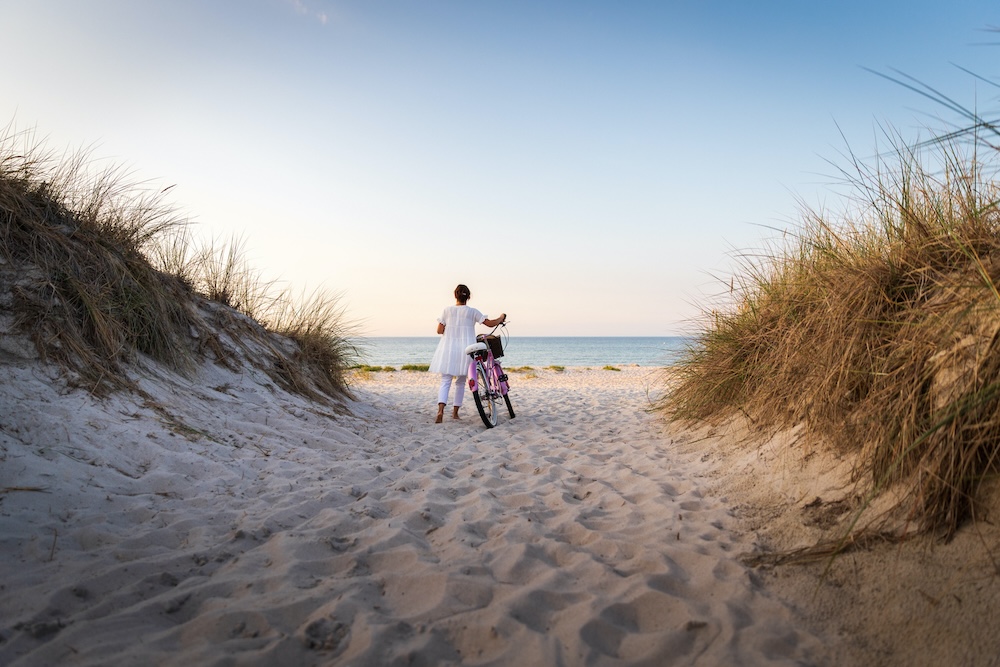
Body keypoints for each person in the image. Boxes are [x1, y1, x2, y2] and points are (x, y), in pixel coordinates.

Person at [429, 284, 506, 423]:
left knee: (445, 380)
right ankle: (455, 413)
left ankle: (440, 411)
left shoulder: (447, 310)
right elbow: (489, 324)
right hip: (466, 349)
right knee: (460, 382)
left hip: (449, 348)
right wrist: (500, 318)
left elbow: (439, 331)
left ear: (455, 295)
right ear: (468, 297)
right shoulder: (472, 312)